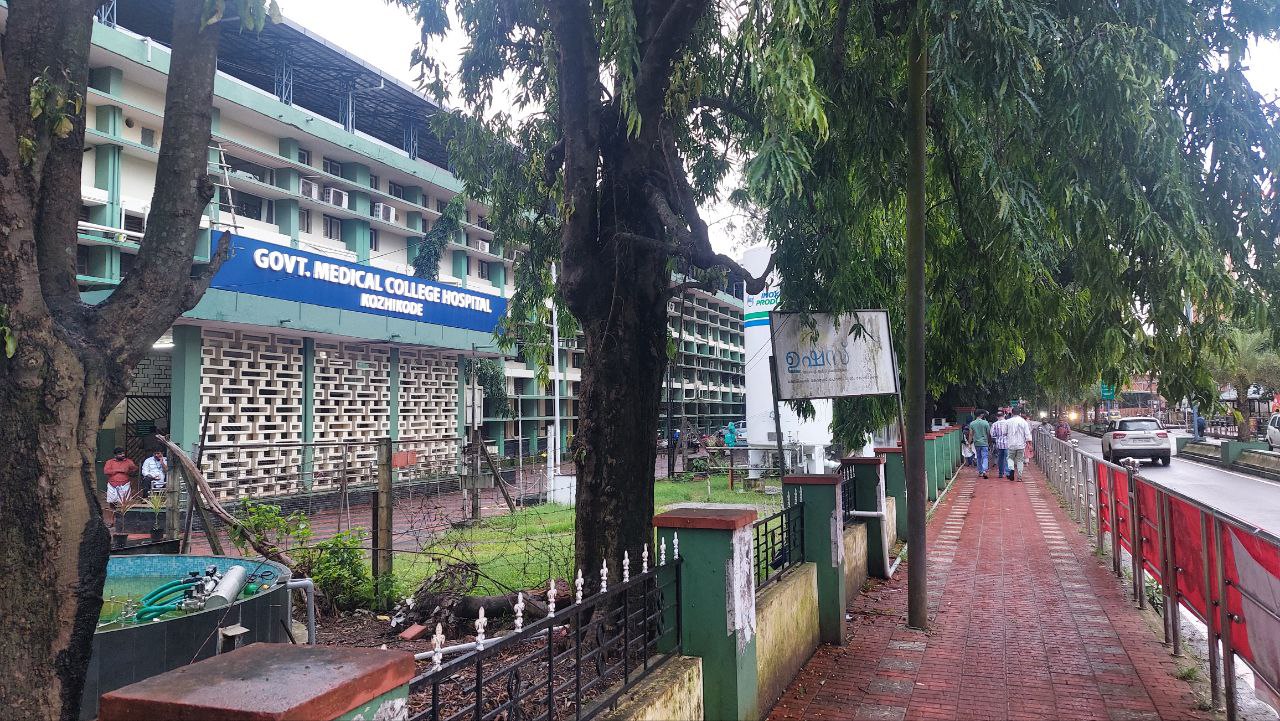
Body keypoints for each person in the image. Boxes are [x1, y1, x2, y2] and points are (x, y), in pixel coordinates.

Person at [1004, 408, 1034, 482]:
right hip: (1021, 444)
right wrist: (1029, 444)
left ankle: (1012, 469)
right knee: (1020, 460)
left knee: (1010, 458)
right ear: (1019, 413)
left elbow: (1004, 432)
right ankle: (1019, 476)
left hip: (1011, 444)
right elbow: (1027, 434)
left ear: (1012, 413)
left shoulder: (1008, 422)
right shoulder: (1024, 422)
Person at [970, 411, 992, 478]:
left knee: (979, 457)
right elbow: (988, 433)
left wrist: (969, 442)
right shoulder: (985, 423)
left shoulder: (972, 423)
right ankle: (984, 470)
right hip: (984, 442)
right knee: (985, 457)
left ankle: (980, 472)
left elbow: (971, 434)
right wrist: (989, 441)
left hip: (977, 443)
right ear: (981, 415)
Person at [992, 411, 1010, 479]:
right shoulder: (1008, 423)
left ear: (997, 417)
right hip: (1007, 443)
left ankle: (1000, 473)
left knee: (1000, 458)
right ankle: (1008, 472)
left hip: (999, 443)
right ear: (1004, 415)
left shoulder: (994, 424)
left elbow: (992, 434)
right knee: (1007, 458)